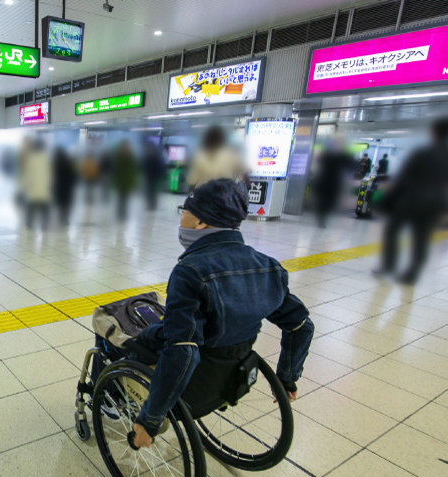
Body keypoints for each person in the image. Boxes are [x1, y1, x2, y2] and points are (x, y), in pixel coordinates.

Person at [121, 179, 315, 448]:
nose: (182, 217)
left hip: (195, 377)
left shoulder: (190, 271)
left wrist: (150, 421)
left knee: (125, 335)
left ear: (201, 222)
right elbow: (301, 326)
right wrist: (286, 378)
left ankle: (116, 398)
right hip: (232, 372)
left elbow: (183, 351)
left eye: (184, 210)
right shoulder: (268, 267)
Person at [374, 118, 448, 284]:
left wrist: (385, 198)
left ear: (434, 132)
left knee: (392, 231)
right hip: (433, 204)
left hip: (410, 201)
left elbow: (402, 179)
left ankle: (388, 266)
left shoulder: (422, 153)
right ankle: (412, 273)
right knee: (421, 237)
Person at [311, 138, 355, 228]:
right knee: (323, 201)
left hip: (334, 182)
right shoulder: (326, 155)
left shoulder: (342, 156)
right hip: (324, 181)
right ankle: (321, 218)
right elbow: (319, 166)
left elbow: (350, 165)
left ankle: (323, 216)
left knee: (330, 201)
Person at [187, 125, 242, 191]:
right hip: (224, 196)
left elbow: (191, 180)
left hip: (203, 195)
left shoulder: (200, 155)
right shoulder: (230, 155)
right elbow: (242, 171)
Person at [19, 138, 53, 230]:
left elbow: (27, 173)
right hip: (43, 187)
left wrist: (25, 185)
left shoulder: (31, 158)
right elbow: (50, 174)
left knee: (31, 206)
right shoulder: (46, 158)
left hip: (33, 187)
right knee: (45, 208)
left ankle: (29, 223)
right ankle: (44, 224)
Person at [113, 140, 138, 221]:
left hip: (127, 182)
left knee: (125, 199)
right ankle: (119, 213)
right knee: (120, 198)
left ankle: (123, 213)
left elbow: (133, 172)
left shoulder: (130, 159)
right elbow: (115, 171)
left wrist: (133, 183)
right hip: (120, 182)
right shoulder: (118, 158)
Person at [53, 146, 77, 226]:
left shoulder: (55, 164)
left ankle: (60, 218)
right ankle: (65, 219)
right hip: (67, 188)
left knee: (60, 204)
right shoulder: (68, 163)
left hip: (59, 188)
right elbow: (73, 176)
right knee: (66, 205)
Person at [141, 140, 166, 211]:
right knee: (148, 192)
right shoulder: (148, 157)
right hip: (149, 177)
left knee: (153, 193)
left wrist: (160, 177)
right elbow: (144, 166)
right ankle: (150, 205)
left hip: (155, 178)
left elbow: (160, 168)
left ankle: (152, 205)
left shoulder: (156, 157)